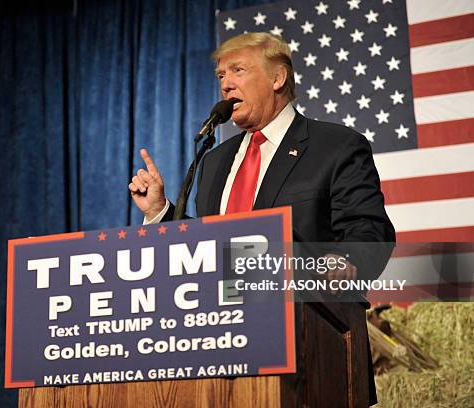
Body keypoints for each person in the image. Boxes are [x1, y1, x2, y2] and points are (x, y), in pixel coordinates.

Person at [129, 32, 395, 405]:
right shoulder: (215, 160)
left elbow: (369, 228)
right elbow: (203, 247)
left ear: (277, 78)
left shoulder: (336, 146)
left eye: (237, 70)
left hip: (312, 344)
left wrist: (346, 261)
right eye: (221, 75)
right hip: (217, 342)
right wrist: (160, 211)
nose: (226, 84)